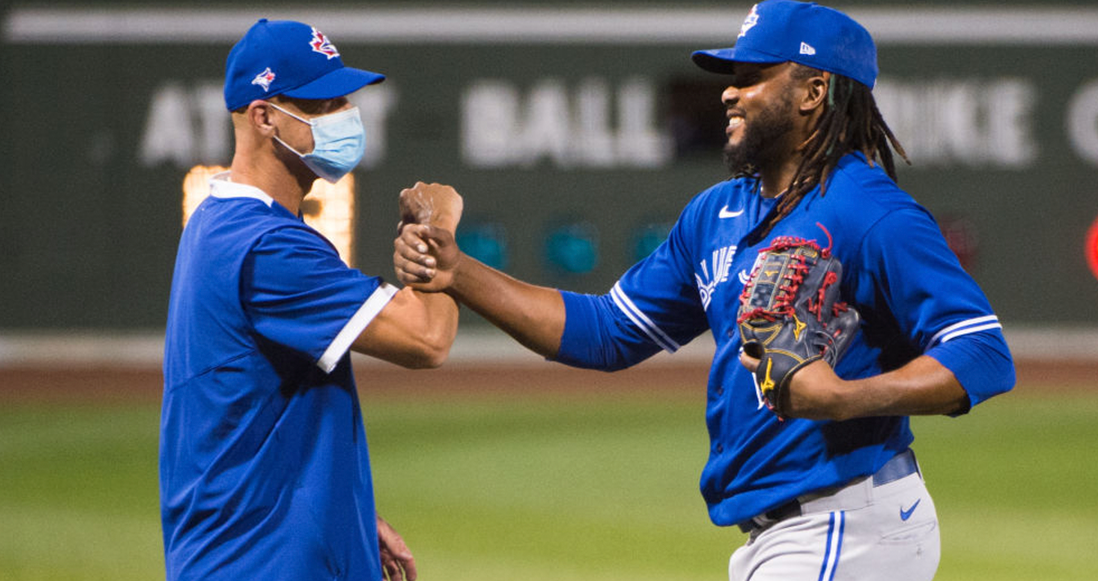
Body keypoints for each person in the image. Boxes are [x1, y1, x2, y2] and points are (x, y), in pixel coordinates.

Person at [392, 1, 1015, 580]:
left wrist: (844, 397)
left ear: (814, 91)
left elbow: (983, 353)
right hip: (781, 537)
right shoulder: (718, 212)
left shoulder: (871, 214)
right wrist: (459, 272)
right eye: (731, 76)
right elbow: (607, 331)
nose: (728, 91)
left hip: (847, 524)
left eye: (752, 76)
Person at [161, 19, 461, 581]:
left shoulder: (217, 221)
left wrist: (343, 508)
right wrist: (436, 222)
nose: (345, 115)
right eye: (323, 104)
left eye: (345, 99)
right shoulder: (266, 245)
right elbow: (428, 340)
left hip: (251, 548)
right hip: (258, 562)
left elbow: (250, 405)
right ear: (263, 116)